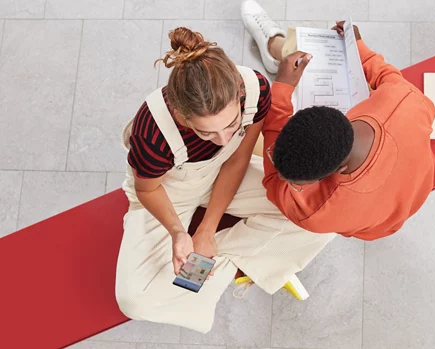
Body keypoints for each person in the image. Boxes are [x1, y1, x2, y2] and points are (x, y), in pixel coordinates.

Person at [116, 27, 335, 333]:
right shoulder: (151, 133)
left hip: (225, 172)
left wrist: (207, 231)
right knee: (133, 301)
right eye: (206, 132)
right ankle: (241, 258)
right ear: (181, 115)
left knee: (321, 217)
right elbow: (146, 189)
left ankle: (218, 252)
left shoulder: (255, 87)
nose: (222, 138)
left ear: (238, 95)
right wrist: (179, 233)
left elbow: (235, 160)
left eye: (232, 124)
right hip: (169, 190)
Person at [242, 0, 435, 241]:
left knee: (248, 141)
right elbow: (388, 76)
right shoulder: (404, 100)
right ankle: (276, 48)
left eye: (296, 182)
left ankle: (275, 46)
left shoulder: (314, 212)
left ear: (339, 170)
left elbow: (272, 181)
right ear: (343, 115)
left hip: (371, 219)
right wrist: (359, 49)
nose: (283, 178)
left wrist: (281, 90)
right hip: (411, 194)